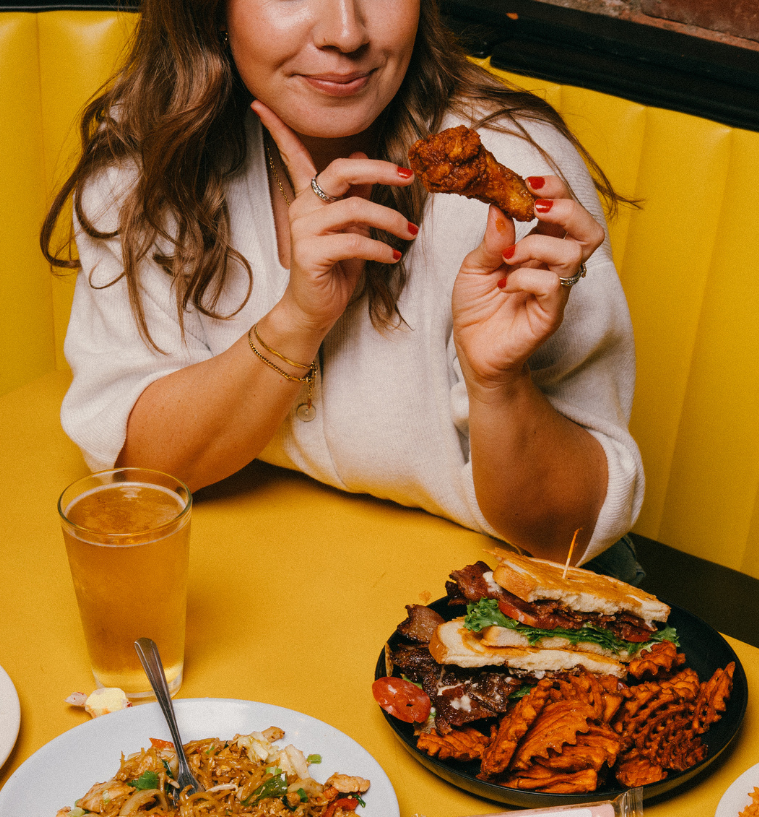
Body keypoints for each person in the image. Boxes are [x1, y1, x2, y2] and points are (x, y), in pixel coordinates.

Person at [43, 0, 644, 568]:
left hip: (520, 602)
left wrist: (499, 385)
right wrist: (298, 320)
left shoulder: (511, 180)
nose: (347, 32)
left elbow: (568, 534)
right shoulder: (152, 155)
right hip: (291, 576)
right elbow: (142, 467)